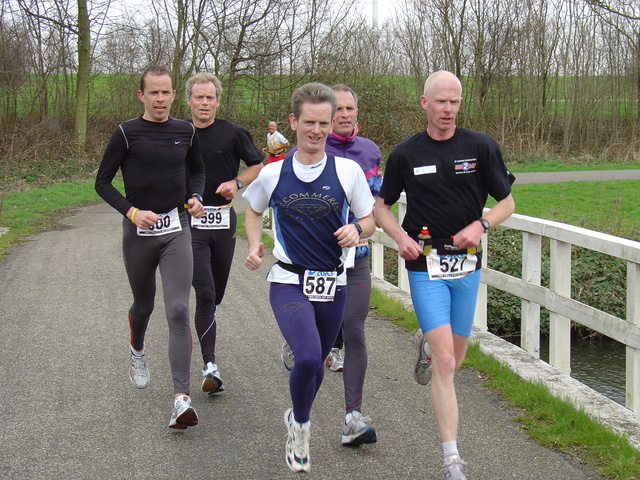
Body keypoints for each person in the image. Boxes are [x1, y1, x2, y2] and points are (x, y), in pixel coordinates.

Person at [375, 70, 516, 480]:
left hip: (467, 263)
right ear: (424, 103)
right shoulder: (405, 154)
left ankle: (426, 344)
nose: (448, 109)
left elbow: (506, 202)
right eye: (440, 101)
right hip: (425, 264)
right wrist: (399, 236)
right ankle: (452, 458)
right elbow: (382, 206)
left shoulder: (480, 146)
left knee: (454, 363)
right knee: (446, 360)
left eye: (454, 101)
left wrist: (482, 225)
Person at [243, 82, 376, 473]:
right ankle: (300, 427)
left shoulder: (347, 171)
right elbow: (252, 210)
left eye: (323, 123)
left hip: (333, 280)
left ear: (332, 121)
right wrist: (255, 245)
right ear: (293, 122)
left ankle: (295, 413)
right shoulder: (273, 172)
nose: (316, 130)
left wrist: (357, 231)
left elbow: (368, 219)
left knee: (317, 364)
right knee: (304, 357)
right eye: (308, 123)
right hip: (288, 278)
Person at [95, 65, 206, 429]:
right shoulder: (126, 133)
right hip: (139, 233)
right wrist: (131, 212)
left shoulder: (186, 131)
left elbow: (198, 171)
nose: (160, 99)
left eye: (166, 92)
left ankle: (180, 399)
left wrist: (195, 196)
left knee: (177, 309)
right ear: (141, 95)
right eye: (153, 93)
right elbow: (102, 182)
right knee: (143, 305)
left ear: (175, 95)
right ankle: (137, 350)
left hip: (176, 229)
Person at [282, 84, 382, 445]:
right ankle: (303, 344)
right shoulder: (306, 149)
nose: (343, 115)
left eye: (349, 109)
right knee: (318, 349)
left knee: (354, 329)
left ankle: (352, 416)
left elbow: (374, 207)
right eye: (336, 110)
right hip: (307, 268)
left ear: (356, 112)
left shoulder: (369, 151)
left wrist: (358, 228)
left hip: (354, 263)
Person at [185, 73, 264, 395]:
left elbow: (258, 164)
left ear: (217, 100)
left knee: (215, 296)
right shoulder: (179, 134)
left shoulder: (233, 133)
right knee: (204, 293)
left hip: (223, 224)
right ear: (188, 100)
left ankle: (205, 326)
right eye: (198, 97)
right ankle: (210, 366)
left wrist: (238, 183)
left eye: (210, 98)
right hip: (190, 225)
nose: (204, 103)